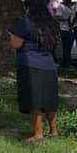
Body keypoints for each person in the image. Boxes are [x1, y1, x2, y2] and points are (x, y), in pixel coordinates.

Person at [11, 13, 60, 142]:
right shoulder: (51, 24)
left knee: (35, 100)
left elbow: (16, 44)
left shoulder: (26, 23)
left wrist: (11, 35)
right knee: (50, 99)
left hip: (30, 64)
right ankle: (54, 131)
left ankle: (38, 134)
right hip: (49, 64)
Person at [56, 0, 75, 67]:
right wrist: (66, 19)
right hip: (63, 29)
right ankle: (63, 63)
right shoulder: (60, 6)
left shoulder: (73, 6)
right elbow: (57, 16)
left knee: (69, 47)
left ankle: (68, 63)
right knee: (64, 47)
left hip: (71, 30)